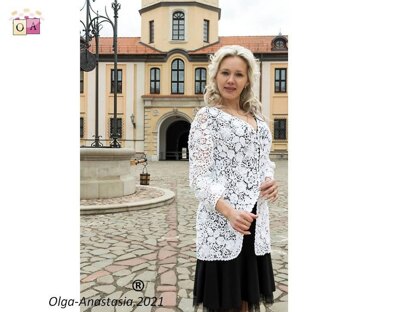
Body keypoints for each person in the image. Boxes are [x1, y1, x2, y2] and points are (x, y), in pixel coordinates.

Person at [188, 45, 279, 312]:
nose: (231, 80)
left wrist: (270, 181)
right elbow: (198, 178)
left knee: (246, 303)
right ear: (215, 76)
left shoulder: (258, 120)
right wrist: (229, 213)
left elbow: (265, 162)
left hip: (255, 222)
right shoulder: (208, 118)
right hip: (224, 223)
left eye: (238, 74)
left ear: (248, 79)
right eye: (225, 73)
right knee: (226, 304)